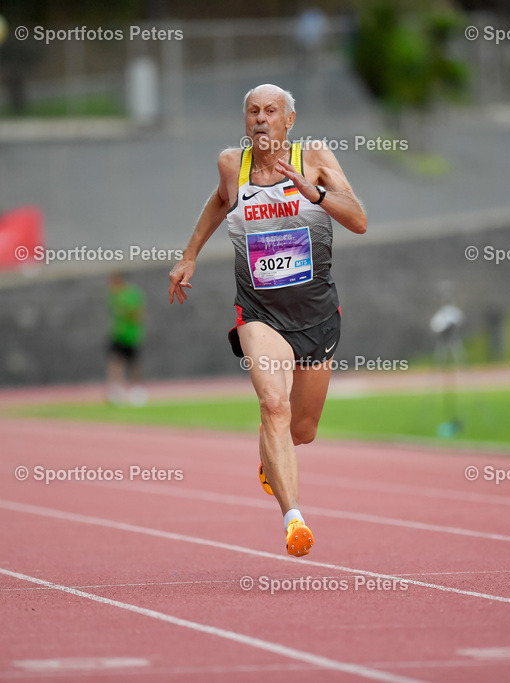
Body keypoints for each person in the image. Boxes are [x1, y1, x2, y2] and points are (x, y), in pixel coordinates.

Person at [168, 84, 367, 557]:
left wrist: (313, 193)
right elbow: (221, 201)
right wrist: (189, 255)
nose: (261, 119)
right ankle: (294, 519)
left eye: (271, 111)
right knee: (274, 406)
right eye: (253, 112)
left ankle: (271, 457)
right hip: (259, 315)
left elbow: (358, 219)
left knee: (302, 430)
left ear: (289, 120)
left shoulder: (315, 156)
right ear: (245, 121)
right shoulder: (231, 165)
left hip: (316, 315)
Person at [106, 271, 146, 405]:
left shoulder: (131, 294)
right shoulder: (114, 296)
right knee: (115, 361)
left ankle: (137, 390)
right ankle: (116, 390)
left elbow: (137, 313)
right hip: (118, 334)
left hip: (130, 334)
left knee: (133, 363)